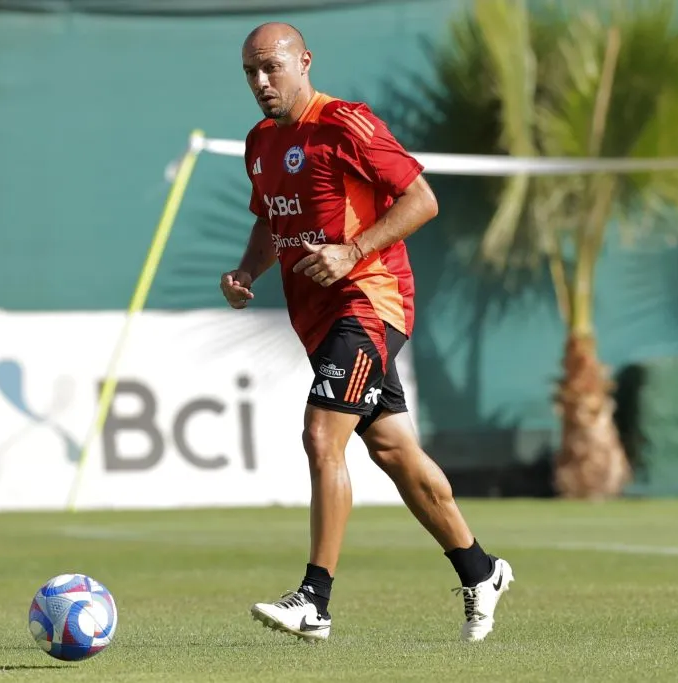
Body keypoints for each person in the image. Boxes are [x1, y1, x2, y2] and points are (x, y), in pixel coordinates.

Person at [220, 22, 514, 643]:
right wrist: (247, 271)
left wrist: (353, 251)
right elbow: (271, 221)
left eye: (271, 67)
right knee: (393, 452)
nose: (261, 81)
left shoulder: (345, 124)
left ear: (304, 61)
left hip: (369, 301)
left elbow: (422, 200)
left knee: (321, 436)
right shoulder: (260, 144)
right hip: (319, 317)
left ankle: (314, 601)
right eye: (250, 71)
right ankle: (479, 570)